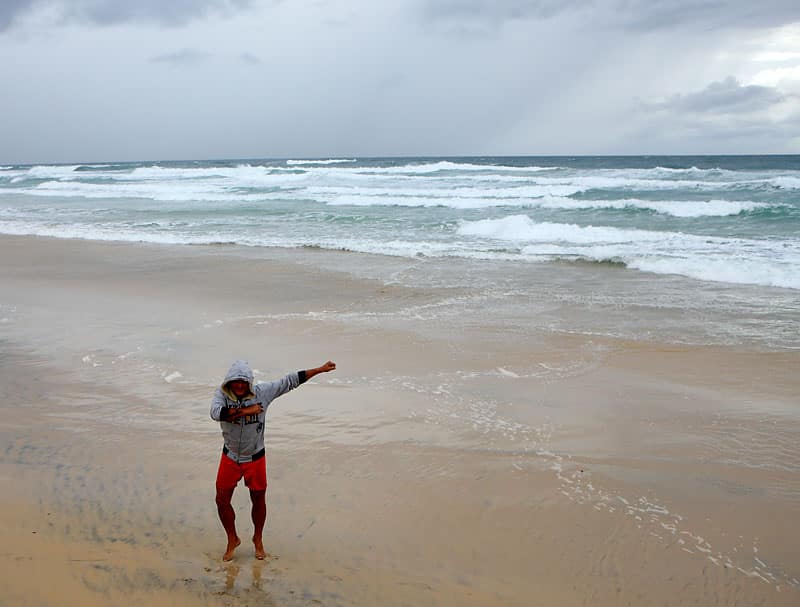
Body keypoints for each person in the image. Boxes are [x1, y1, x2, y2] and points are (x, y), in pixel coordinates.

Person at [210, 358, 336, 561]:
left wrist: (320, 370)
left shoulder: (262, 392)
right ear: (229, 382)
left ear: (249, 382)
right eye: (236, 382)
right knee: (221, 500)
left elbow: (290, 381)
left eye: (244, 382)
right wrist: (247, 411)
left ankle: (257, 539)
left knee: (258, 500)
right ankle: (232, 538)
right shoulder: (221, 395)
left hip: (256, 457)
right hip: (230, 456)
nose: (240, 385)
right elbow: (216, 413)